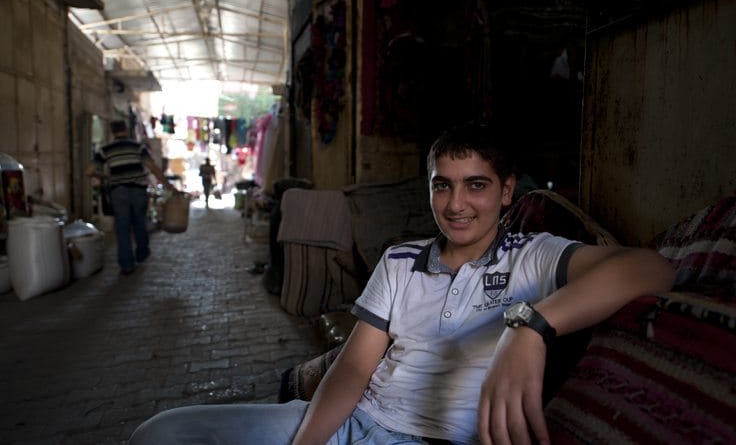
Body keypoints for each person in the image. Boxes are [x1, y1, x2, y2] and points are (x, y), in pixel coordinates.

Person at [129, 120, 676, 444]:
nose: (457, 205)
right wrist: (311, 442)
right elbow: (354, 368)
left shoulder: (531, 258)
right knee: (160, 435)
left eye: (477, 186)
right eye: (443, 186)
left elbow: (653, 268)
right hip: (354, 423)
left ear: (508, 191)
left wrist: (531, 327)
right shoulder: (400, 260)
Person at [86, 119, 171, 275]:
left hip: (118, 192)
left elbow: (89, 171)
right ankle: (142, 253)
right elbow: (152, 167)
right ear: (126, 129)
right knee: (139, 222)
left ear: (112, 132)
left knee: (122, 227)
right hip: (138, 191)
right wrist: (168, 185)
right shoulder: (138, 147)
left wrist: (105, 176)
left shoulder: (105, 149)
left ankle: (127, 265)